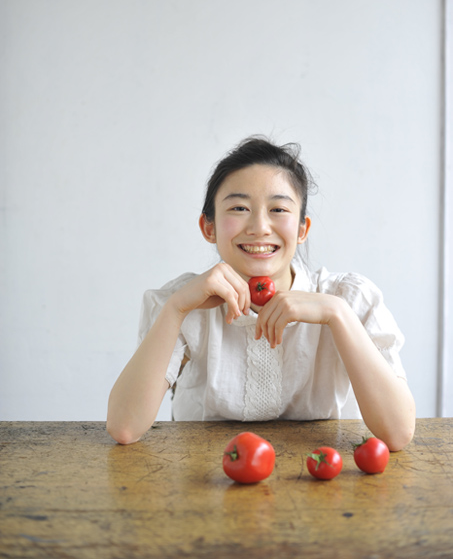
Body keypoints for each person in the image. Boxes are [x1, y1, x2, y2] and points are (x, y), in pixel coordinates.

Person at [107, 136, 415, 450]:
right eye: (239, 208)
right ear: (209, 227)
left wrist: (338, 315)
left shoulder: (350, 298)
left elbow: (398, 433)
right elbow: (124, 428)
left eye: (278, 209)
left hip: (321, 472)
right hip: (205, 472)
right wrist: (175, 310)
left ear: (302, 230)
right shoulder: (182, 301)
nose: (259, 227)